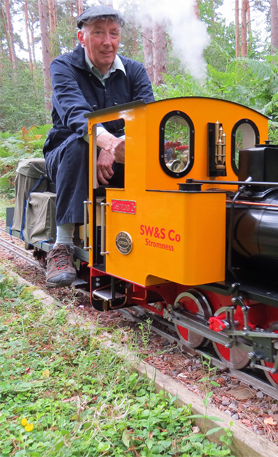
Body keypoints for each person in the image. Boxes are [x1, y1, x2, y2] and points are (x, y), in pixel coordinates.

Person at [43, 5, 155, 288]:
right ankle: (63, 246)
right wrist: (103, 143)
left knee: (158, 157)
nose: (108, 41)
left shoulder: (135, 70)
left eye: (114, 33)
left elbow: (149, 117)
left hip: (119, 154)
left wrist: (115, 146)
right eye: (98, 33)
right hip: (67, 154)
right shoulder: (63, 66)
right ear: (82, 37)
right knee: (80, 147)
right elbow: (74, 112)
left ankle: (148, 236)